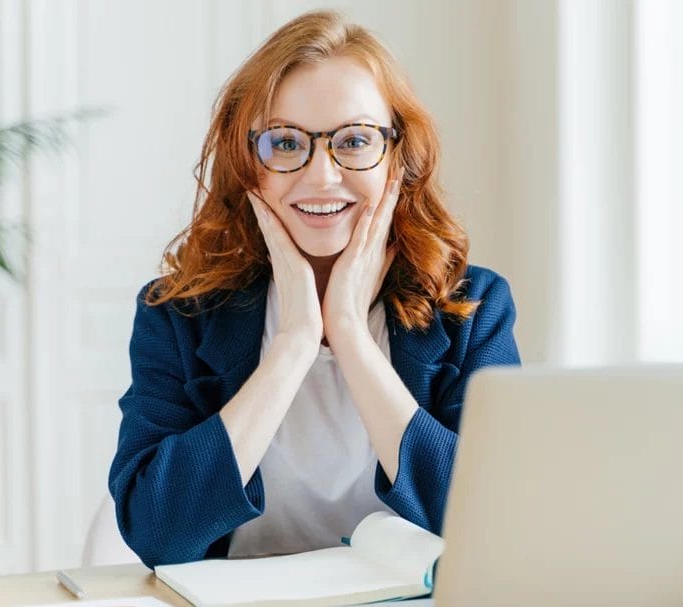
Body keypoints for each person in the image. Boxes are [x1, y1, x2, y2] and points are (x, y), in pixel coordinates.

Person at [108, 10, 520, 568]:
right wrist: (295, 343)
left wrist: (349, 334)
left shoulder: (474, 306)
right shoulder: (177, 313)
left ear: (397, 157)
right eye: (284, 143)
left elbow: (494, 523)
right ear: (246, 163)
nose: (322, 176)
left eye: (355, 140)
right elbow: (158, 533)